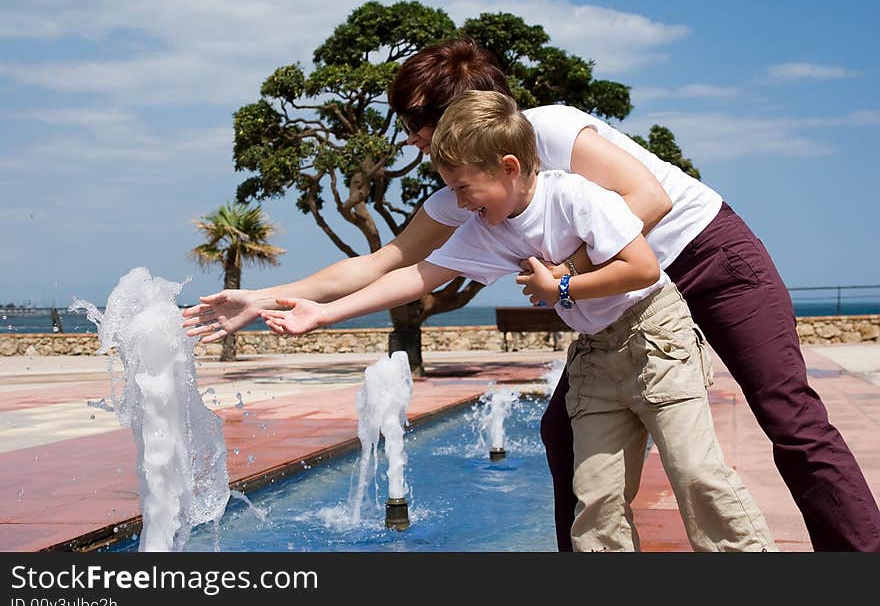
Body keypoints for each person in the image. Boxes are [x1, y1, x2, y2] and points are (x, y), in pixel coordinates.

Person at [183, 38, 880, 552]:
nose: (412, 140)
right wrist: (270, 296)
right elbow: (396, 260)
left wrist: (567, 275)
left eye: (417, 123)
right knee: (562, 430)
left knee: (789, 416)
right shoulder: (468, 191)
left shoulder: (543, 130)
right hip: (621, 307)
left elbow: (651, 197)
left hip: (705, 257)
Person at [259, 90, 777, 551]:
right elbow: (419, 275)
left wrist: (564, 285)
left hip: (654, 336)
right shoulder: (489, 228)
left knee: (695, 474)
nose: (458, 203)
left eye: (464, 188)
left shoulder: (576, 195)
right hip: (596, 354)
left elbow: (641, 267)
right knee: (595, 500)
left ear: (509, 166)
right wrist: (323, 313)